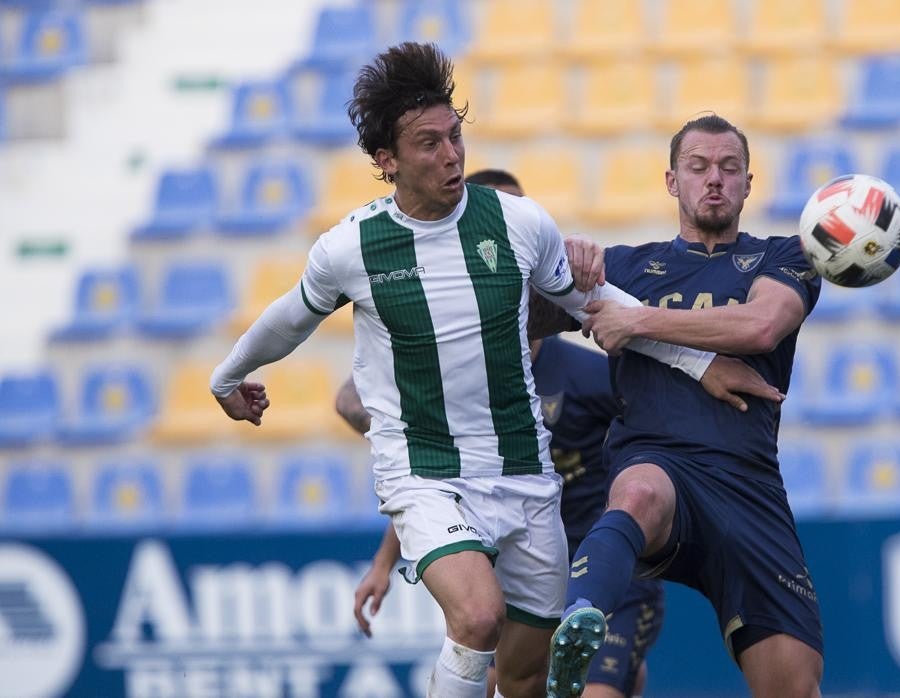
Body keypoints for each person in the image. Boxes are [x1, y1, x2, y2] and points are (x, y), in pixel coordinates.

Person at [208, 43, 781, 698]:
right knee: (478, 618)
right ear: (387, 160)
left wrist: (700, 365)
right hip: (426, 473)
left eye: (455, 137)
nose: (451, 156)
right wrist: (225, 379)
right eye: (428, 144)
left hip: (525, 477)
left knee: (523, 678)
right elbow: (288, 318)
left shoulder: (518, 223)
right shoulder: (351, 247)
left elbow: (597, 306)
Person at [345, 170, 665, 698]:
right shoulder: (451, 377)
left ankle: (620, 673)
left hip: (602, 574)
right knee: (504, 680)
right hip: (518, 574)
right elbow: (426, 474)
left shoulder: (590, 375)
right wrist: (384, 564)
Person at [545, 114, 824, 698]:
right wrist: (561, 260)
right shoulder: (622, 268)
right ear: (672, 181)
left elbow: (761, 325)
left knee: (795, 688)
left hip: (747, 486)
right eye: (698, 167)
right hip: (657, 458)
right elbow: (516, 319)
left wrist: (636, 320)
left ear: (748, 183)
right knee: (638, 493)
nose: (714, 179)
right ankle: (580, 619)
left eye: (728, 168)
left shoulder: (785, 256)